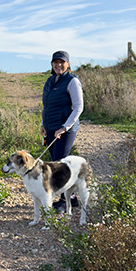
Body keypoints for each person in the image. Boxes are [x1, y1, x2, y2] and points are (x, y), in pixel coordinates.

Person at [40, 50, 84, 210]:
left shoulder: (72, 81)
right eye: (55, 62)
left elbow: (79, 107)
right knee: (54, 164)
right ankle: (72, 198)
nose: (58, 65)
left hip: (65, 129)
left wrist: (65, 127)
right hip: (51, 127)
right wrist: (43, 123)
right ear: (52, 64)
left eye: (62, 62)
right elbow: (47, 106)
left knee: (60, 164)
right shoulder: (50, 81)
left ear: (68, 64)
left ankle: (64, 201)